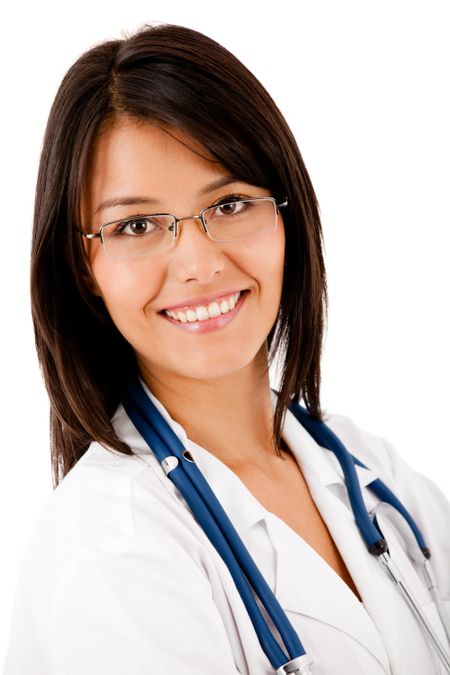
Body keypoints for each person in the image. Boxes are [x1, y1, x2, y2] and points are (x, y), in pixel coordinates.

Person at [3, 22, 449, 675]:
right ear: (83, 266)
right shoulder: (108, 548)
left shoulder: (367, 469)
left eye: (232, 202)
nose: (198, 262)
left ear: (286, 216)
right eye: (136, 224)